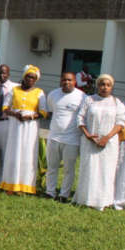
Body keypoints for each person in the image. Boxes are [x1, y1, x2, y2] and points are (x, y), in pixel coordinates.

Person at [74, 74, 125, 211]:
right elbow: (80, 118)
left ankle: (103, 201)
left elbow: (120, 123)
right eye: (102, 84)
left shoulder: (116, 102)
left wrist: (106, 138)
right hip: (90, 141)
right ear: (97, 85)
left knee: (105, 171)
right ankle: (86, 198)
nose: (105, 87)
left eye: (108, 85)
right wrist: (88, 135)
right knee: (89, 169)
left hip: (109, 144)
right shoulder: (89, 100)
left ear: (112, 87)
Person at [0, 65, 47, 195]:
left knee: (27, 154)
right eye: (28, 76)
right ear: (23, 76)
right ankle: (11, 184)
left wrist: (30, 116)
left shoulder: (39, 93)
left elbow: (43, 112)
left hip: (30, 127)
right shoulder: (14, 90)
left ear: (36, 80)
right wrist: (15, 114)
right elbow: (5, 107)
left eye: (33, 77)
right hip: (16, 126)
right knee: (14, 152)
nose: (30, 79)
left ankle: (25, 186)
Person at [46, 72, 86, 202]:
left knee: (69, 169)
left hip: (72, 139)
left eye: (69, 80)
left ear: (74, 81)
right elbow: (52, 112)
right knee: (52, 167)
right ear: (60, 80)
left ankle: (64, 194)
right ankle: (50, 192)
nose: (66, 82)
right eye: (64, 80)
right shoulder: (53, 94)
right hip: (54, 137)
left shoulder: (82, 97)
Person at [0, 64, 18, 180]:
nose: (2, 75)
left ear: (9, 74)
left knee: (5, 152)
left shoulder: (15, 88)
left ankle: (5, 178)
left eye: (4, 73)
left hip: (6, 122)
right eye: (0, 72)